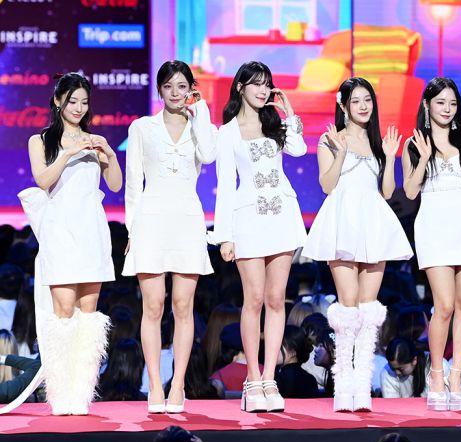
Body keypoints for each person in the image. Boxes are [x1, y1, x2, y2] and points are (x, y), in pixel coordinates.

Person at [302, 77, 412, 411]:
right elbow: (326, 185)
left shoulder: (377, 142)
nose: (364, 106)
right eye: (356, 101)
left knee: (368, 308)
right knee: (348, 307)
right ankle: (343, 384)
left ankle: (361, 385)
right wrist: (340, 153)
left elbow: (387, 192)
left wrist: (390, 157)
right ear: (344, 105)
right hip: (343, 221)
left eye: (368, 100)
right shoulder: (330, 139)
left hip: (373, 222)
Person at [123, 60, 218, 413]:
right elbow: (133, 184)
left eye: (182, 86)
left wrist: (202, 111)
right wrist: (131, 229)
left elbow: (209, 155)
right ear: (159, 90)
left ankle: (177, 385)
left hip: (187, 220)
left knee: (183, 305)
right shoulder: (142, 128)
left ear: (191, 89)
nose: (176, 93)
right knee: (153, 305)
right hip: (150, 221)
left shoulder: (202, 127)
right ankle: (153, 385)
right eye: (169, 86)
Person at [213, 61, 306, 413]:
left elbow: (298, 149)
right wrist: (224, 236)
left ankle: (269, 378)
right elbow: (225, 186)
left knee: (276, 298)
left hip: (281, 215)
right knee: (253, 298)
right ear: (240, 87)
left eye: (267, 83)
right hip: (248, 218)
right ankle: (252, 378)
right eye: (256, 83)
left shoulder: (274, 123)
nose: (263, 89)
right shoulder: (227, 132)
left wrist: (289, 114)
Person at [25, 72, 121, 415]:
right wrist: (67, 153)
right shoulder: (40, 140)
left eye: (84, 102)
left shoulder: (94, 140)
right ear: (57, 101)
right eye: (72, 101)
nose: (78, 108)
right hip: (60, 232)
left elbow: (114, 185)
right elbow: (43, 180)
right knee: (63, 313)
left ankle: (81, 395)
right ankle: (60, 394)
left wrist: (109, 153)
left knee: (89, 314)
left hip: (91, 231)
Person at [402, 77, 461, 411]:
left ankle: (456, 377)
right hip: (434, 228)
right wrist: (424, 157)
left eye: (452, 103)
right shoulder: (414, 144)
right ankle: (436, 375)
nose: (447, 108)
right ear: (427, 105)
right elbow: (410, 192)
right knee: (445, 305)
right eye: (440, 102)